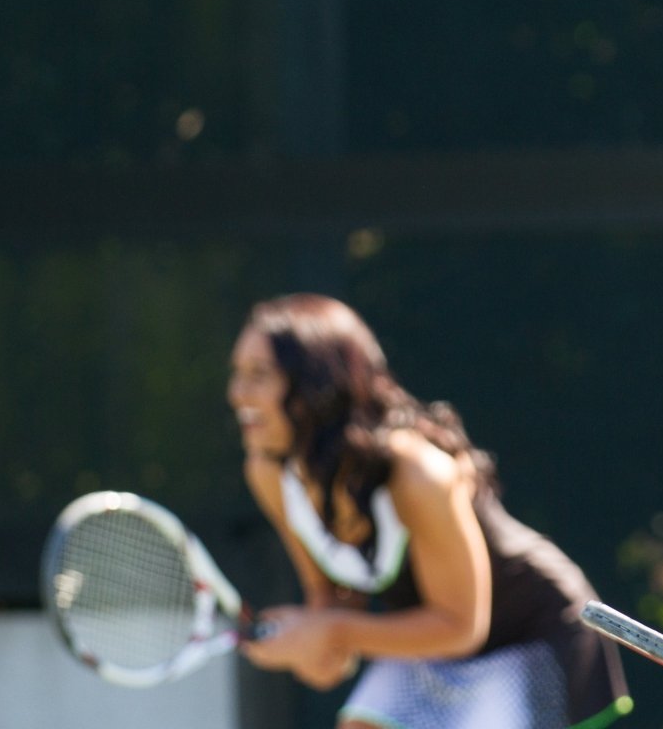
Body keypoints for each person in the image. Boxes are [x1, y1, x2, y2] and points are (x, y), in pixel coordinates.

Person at [226, 292, 632, 729]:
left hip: (534, 635)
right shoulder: (268, 473)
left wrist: (330, 632)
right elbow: (331, 603)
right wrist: (318, 651)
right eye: (237, 374)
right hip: (433, 641)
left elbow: (461, 626)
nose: (237, 393)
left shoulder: (420, 474)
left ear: (316, 386)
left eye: (259, 375)